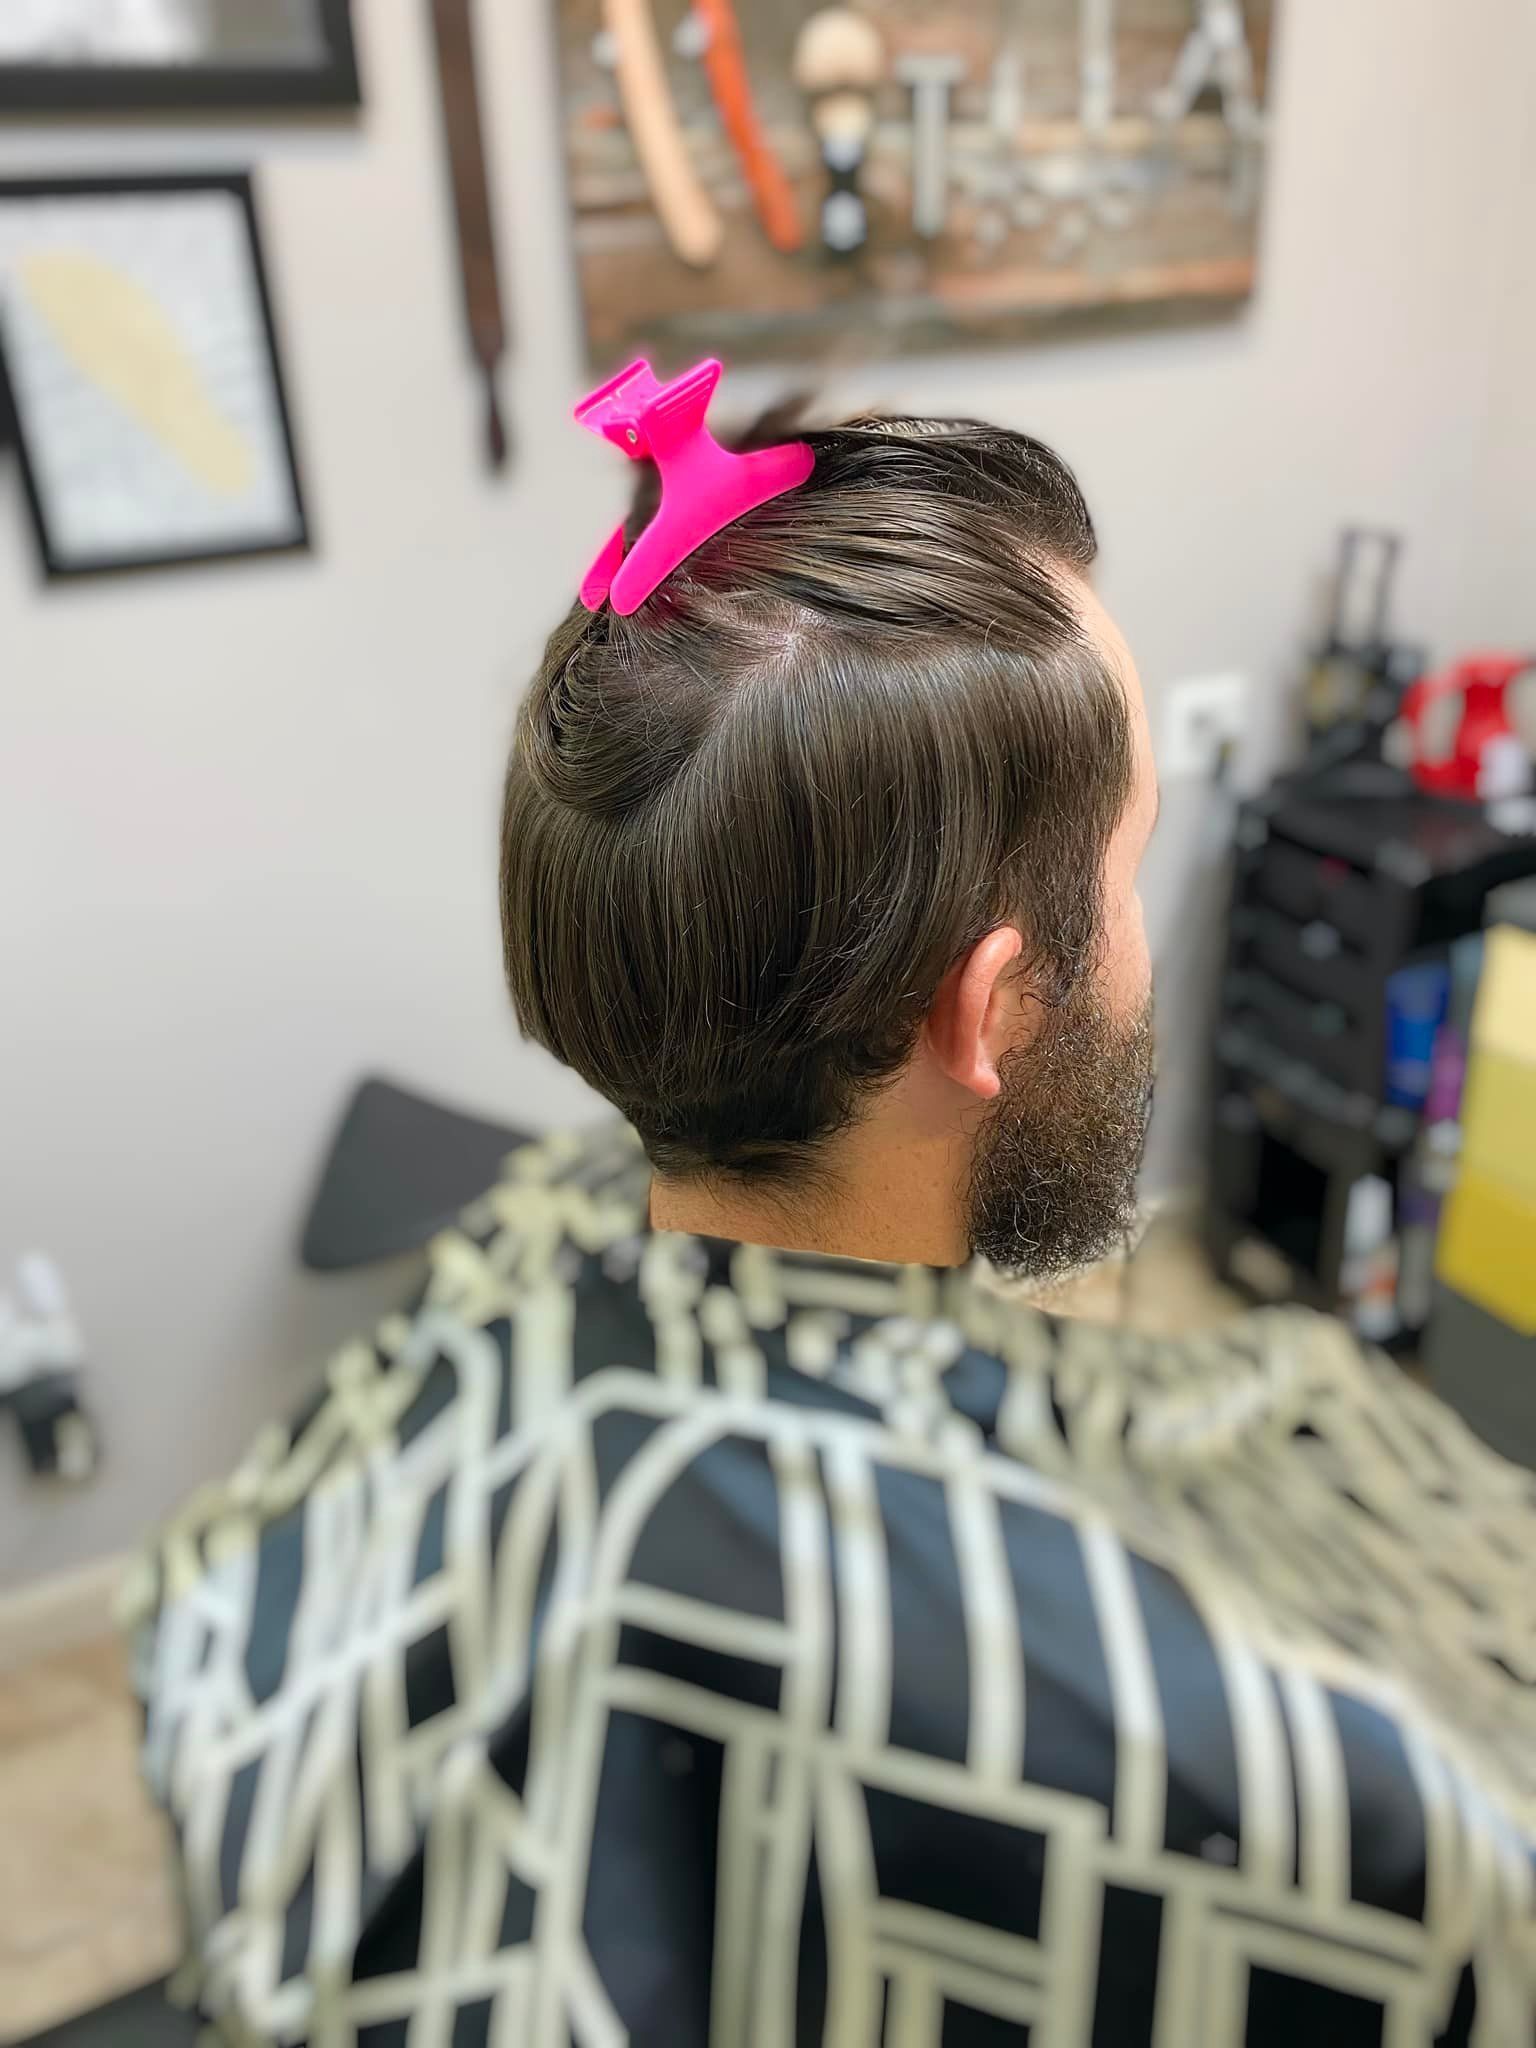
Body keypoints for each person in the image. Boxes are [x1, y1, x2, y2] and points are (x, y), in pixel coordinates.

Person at [133, 385, 1535, 2046]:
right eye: (1132, 867)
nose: (1145, 957)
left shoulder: (485, 1309)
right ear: (992, 1008)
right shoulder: (1318, 1804)